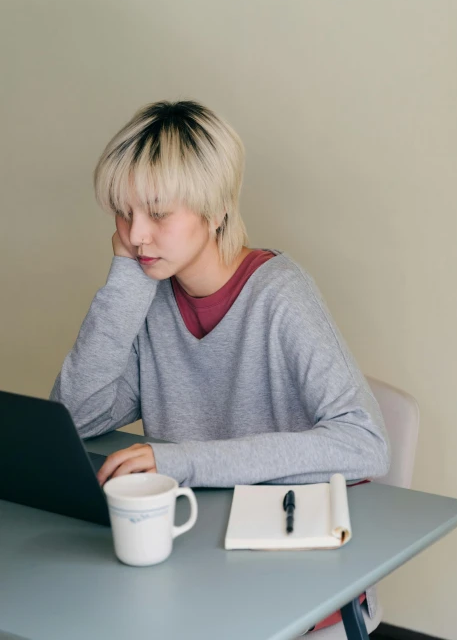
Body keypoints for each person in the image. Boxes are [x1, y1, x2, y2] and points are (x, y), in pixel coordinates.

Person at [50, 99, 390, 631]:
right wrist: (125, 283)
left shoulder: (279, 294)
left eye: (158, 214)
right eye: (124, 212)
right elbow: (75, 418)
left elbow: (366, 444)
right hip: (197, 559)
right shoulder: (150, 293)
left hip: (294, 574)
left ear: (214, 210)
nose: (136, 235)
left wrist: (180, 460)